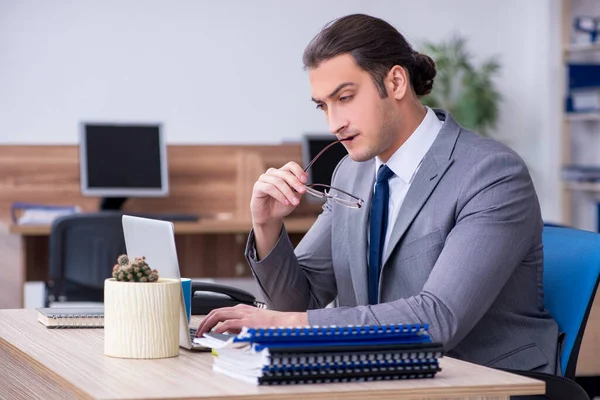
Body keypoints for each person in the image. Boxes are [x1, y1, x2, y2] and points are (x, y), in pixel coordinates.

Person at [197, 13, 559, 374]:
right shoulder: (352, 172)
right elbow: (300, 299)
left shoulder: (490, 173)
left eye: (346, 97)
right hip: (386, 376)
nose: (333, 123)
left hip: (485, 383)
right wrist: (267, 227)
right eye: (324, 105)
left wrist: (281, 325)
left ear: (397, 82)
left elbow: (437, 320)